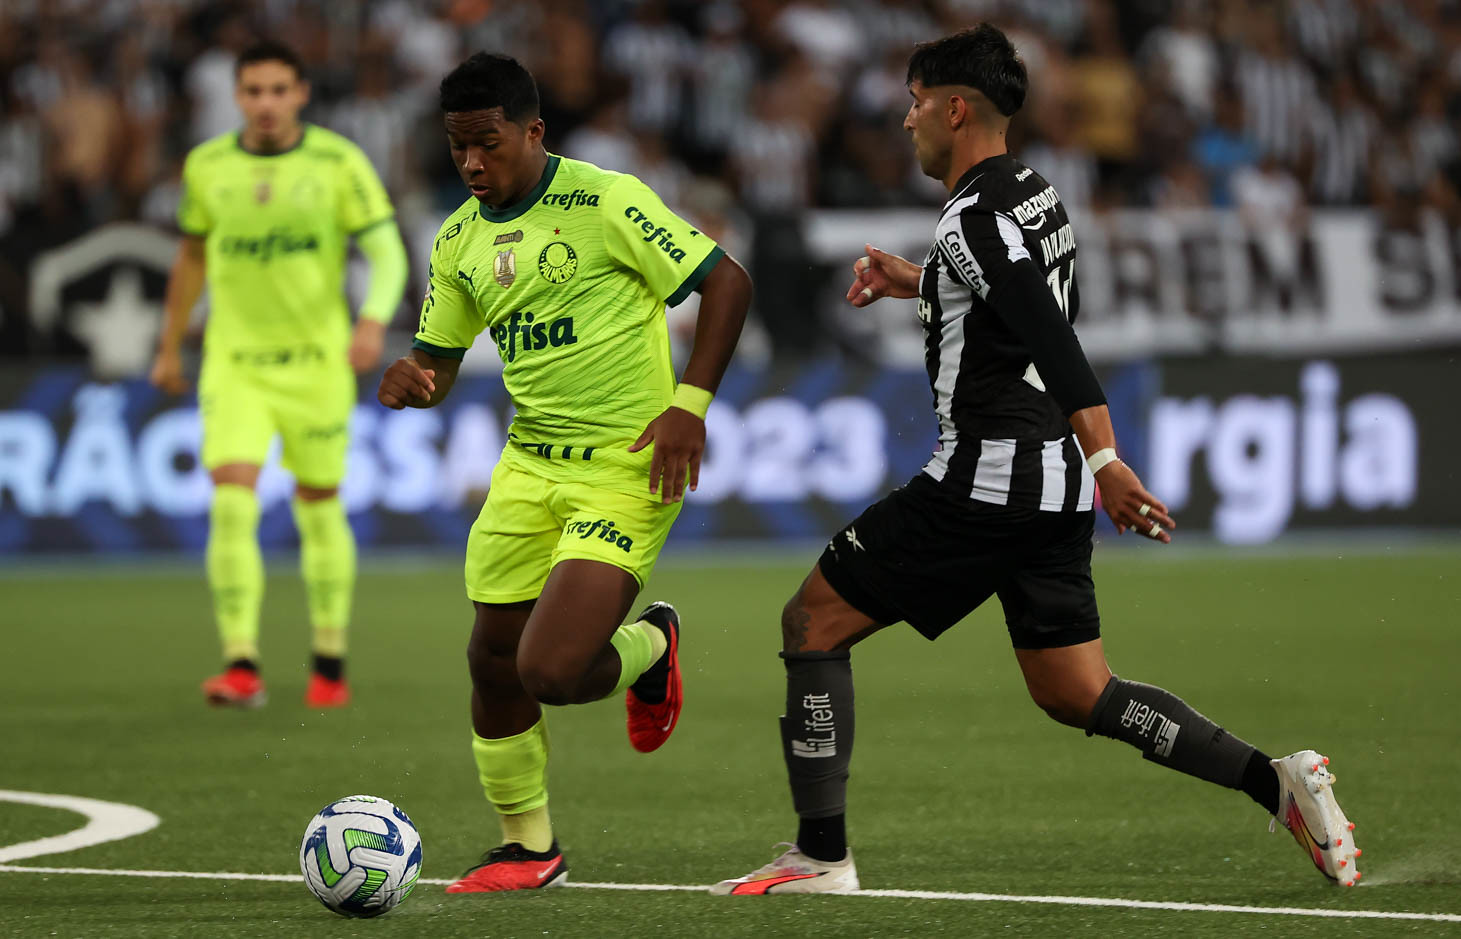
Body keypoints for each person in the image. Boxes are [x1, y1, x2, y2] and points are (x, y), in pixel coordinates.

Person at [710, 24, 1359, 896]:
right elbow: (1020, 304)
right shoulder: (1031, 195)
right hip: (1047, 486)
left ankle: (819, 855)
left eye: (912, 104)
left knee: (812, 622)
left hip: (989, 474)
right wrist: (920, 280)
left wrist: (1110, 460)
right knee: (1074, 688)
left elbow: (1051, 336)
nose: (906, 123)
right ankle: (1275, 782)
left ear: (952, 108)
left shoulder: (973, 216)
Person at [376, 52, 750, 892]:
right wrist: (415, 379)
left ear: (532, 131)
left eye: (488, 143)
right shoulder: (459, 237)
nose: (472, 163)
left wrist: (689, 406)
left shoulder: (607, 200)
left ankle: (652, 644)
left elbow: (727, 282)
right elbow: (437, 358)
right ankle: (528, 846)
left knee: (550, 670)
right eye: (457, 147)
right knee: (492, 660)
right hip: (528, 464)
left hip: (627, 467)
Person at [151, 40, 408, 710]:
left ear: (301, 94)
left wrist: (373, 320)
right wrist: (169, 345)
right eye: (253, 91)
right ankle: (241, 663)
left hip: (316, 363)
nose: (265, 103)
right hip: (235, 363)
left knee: (318, 504)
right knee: (231, 498)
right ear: (237, 97)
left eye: (278, 90)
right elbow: (191, 258)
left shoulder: (336, 162)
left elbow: (387, 253)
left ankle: (328, 659)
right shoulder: (207, 167)